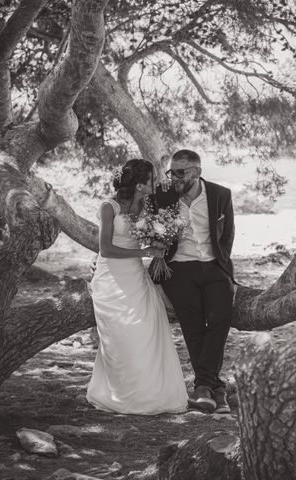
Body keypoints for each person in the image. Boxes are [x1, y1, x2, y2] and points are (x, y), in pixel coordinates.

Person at [87, 159, 188, 415]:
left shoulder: (147, 203)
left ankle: (150, 393)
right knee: (122, 335)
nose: (157, 182)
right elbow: (105, 249)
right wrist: (144, 250)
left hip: (136, 276)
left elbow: (164, 221)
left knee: (146, 329)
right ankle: (120, 395)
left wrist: (162, 241)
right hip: (111, 277)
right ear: (140, 185)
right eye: (152, 179)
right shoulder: (108, 207)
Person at [152, 149, 235, 414]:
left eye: (181, 172)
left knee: (222, 317)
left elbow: (227, 237)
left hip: (214, 267)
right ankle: (213, 389)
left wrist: (223, 266)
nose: (174, 177)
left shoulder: (221, 195)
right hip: (179, 269)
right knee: (193, 323)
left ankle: (206, 386)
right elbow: (149, 231)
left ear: (197, 172)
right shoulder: (162, 198)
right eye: (171, 171)